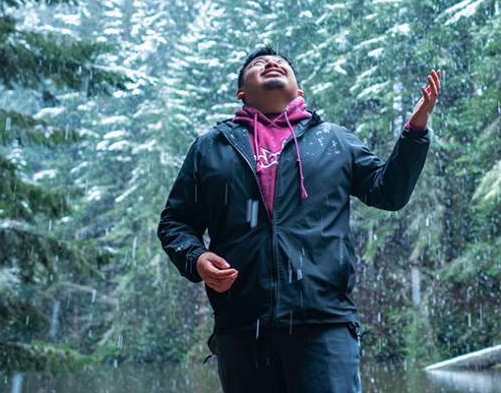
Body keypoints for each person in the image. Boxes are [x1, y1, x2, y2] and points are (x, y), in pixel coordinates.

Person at [157, 46, 440, 393]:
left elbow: (389, 193)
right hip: (243, 326)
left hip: (324, 323)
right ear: (241, 92)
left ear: (299, 89)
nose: (272, 64)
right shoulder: (211, 147)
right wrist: (196, 258)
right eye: (259, 63)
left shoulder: (334, 140)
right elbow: (175, 222)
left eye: (281, 64)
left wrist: (415, 131)